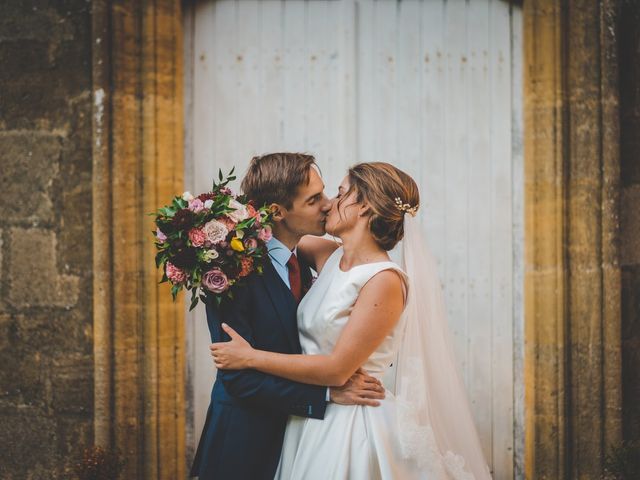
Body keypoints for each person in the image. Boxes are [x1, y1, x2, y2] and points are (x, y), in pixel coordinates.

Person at [211, 162, 492, 479]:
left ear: (365, 207)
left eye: (341, 193)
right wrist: (204, 238)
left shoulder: (383, 280)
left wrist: (250, 358)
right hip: (306, 422)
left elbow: (337, 369)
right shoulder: (327, 255)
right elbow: (275, 232)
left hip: (352, 422)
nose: (329, 202)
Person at [190, 153, 386, 480]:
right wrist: (325, 395)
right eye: (314, 200)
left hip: (304, 442)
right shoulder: (229, 269)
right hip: (246, 445)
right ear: (278, 212)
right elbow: (238, 379)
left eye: (325, 193)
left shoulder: (314, 259)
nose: (327, 204)